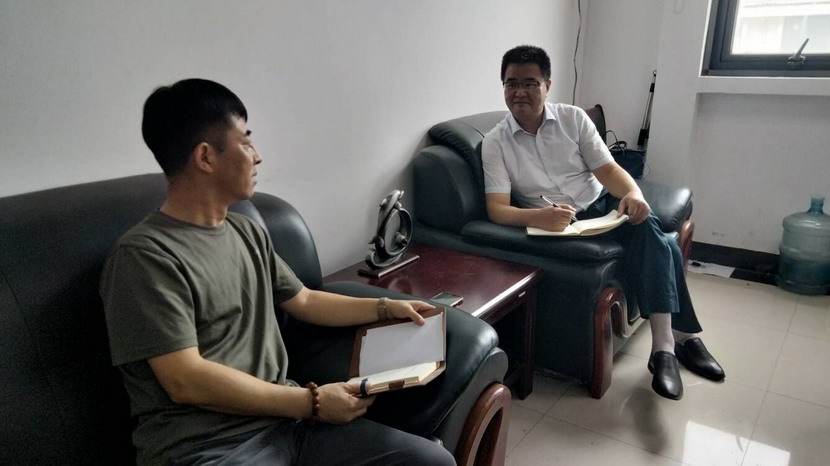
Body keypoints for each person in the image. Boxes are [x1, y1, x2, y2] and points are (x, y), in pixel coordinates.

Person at [100, 78, 456, 465]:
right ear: (205, 158)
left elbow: (304, 300)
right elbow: (186, 380)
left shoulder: (246, 230)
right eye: (246, 142)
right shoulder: (145, 257)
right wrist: (311, 402)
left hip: (287, 426)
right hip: (209, 447)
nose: (257, 157)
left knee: (431, 461)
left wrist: (388, 308)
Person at [481, 45, 725, 401]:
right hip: (558, 223)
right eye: (511, 83)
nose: (520, 92)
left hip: (600, 203)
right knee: (663, 241)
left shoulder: (573, 119)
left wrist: (634, 195)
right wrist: (538, 216)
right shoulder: (495, 143)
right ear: (503, 86)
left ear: (548, 85)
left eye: (530, 83)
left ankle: (664, 347)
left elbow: (608, 170)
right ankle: (679, 342)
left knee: (648, 226)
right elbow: (497, 210)